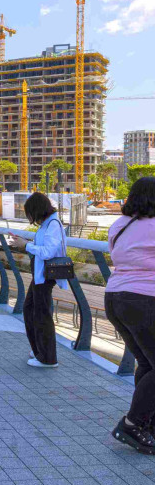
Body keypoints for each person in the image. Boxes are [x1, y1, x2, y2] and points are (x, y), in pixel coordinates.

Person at [104, 177, 155, 454]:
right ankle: (132, 424)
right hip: (144, 300)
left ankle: (146, 426)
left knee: (147, 363)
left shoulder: (119, 225)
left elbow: (119, 256)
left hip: (116, 298)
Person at [11, 192, 68, 369]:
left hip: (44, 277)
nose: (30, 217)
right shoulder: (47, 224)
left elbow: (49, 252)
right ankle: (39, 351)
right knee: (30, 310)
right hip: (40, 275)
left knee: (41, 315)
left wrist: (25, 245)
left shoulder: (52, 224)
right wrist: (25, 242)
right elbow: (43, 247)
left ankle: (48, 357)